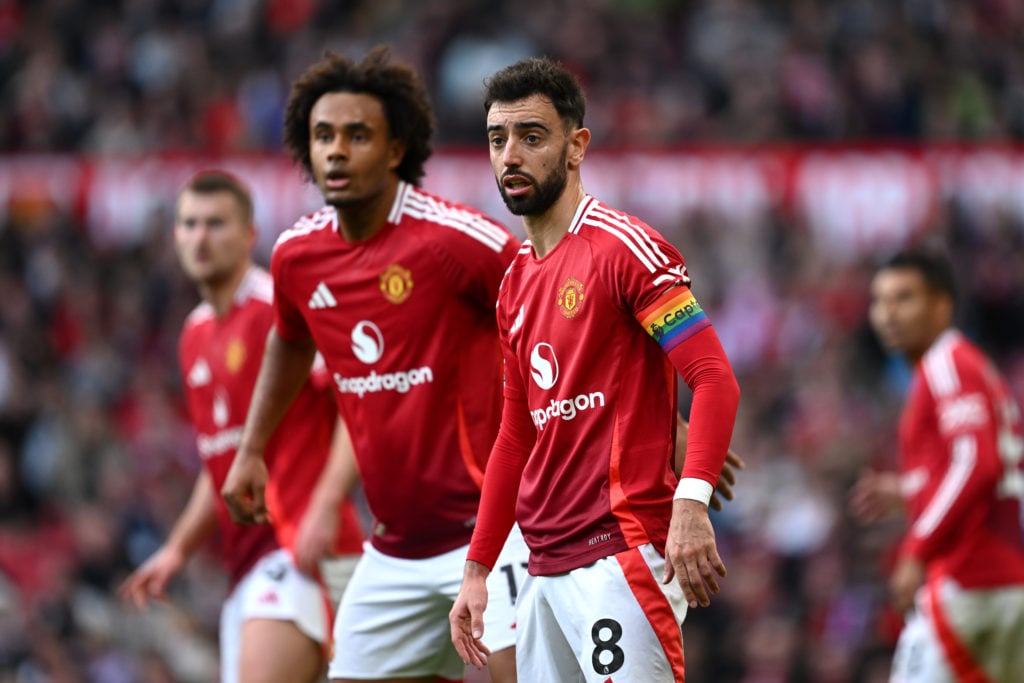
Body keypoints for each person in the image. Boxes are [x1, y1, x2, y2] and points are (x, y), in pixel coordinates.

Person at [219, 47, 527, 683]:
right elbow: (288, 338)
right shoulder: (298, 256)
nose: (335, 151)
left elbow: (559, 310)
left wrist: (664, 424)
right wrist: (252, 448)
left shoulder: (455, 241)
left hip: (494, 534)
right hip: (394, 550)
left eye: (357, 136)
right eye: (323, 135)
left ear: (395, 150)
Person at [450, 57, 741, 682]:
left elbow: (714, 377)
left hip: (621, 554)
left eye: (532, 136)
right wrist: (477, 569)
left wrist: (691, 504)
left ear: (576, 145)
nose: (510, 156)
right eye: (498, 139)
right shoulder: (513, 285)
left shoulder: (625, 248)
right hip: (543, 567)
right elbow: (515, 436)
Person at [119, 170, 364, 683]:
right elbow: (222, 462)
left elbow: (355, 408)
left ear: (250, 234)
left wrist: (322, 507)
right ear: (175, 236)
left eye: (215, 224)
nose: (200, 237)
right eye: (189, 224)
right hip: (246, 566)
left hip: (300, 548)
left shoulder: (279, 309)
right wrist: (178, 549)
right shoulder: (194, 334)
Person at [850, 248, 1024, 682]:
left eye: (904, 298)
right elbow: (984, 467)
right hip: (1002, 579)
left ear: (942, 305)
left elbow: (977, 463)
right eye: (880, 301)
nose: (888, 313)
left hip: (967, 578)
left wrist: (916, 549)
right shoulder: (968, 365)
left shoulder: (946, 363)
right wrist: (911, 491)